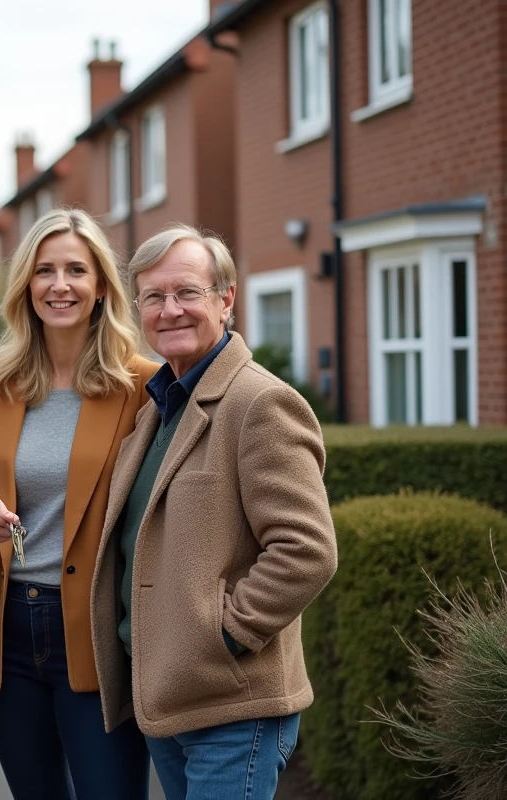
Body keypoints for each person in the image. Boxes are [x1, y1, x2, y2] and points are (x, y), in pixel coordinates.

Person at [89, 223, 338, 800]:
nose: (169, 310)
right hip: (168, 701)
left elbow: (307, 550)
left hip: (232, 706)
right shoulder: (158, 406)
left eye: (187, 293)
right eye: (153, 297)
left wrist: (223, 635)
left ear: (226, 299)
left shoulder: (260, 403)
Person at [0, 208, 156, 800]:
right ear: (26, 285)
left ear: (101, 286)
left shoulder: (145, 386)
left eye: (77, 269)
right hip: (5, 630)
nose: (60, 284)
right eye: (44, 270)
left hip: (97, 633)